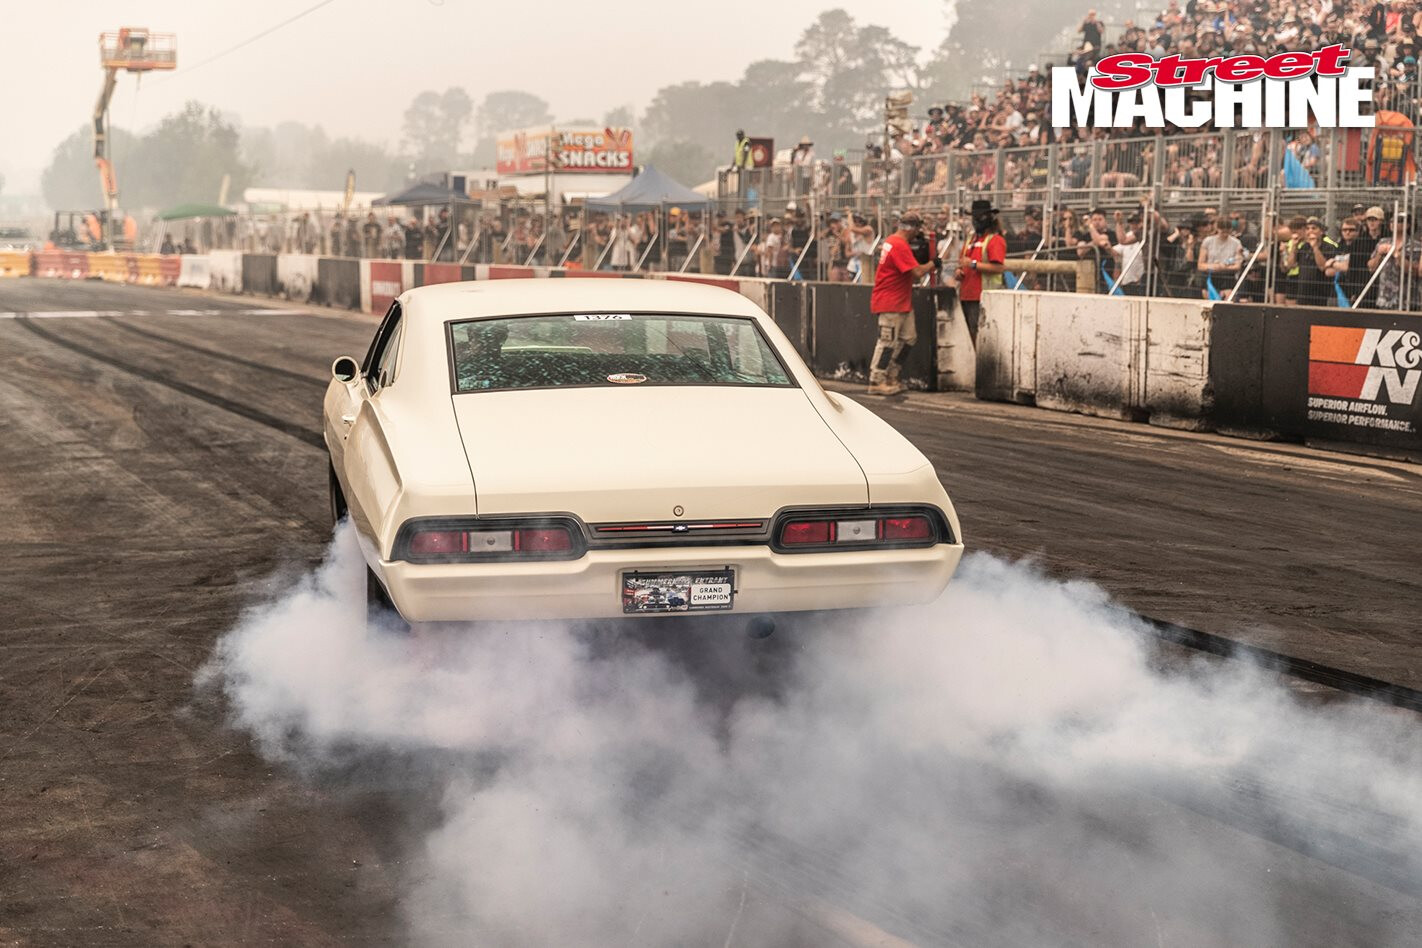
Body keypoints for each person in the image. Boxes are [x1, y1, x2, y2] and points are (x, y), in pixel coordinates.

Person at [867, 211, 938, 396]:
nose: (918, 233)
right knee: (887, 342)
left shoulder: (892, 240)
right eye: (917, 229)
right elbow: (917, 272)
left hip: (900, 301)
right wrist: (933, 263)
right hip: (890, 302)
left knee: (909, 339)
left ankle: (891, 375)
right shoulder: (898, 244)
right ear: (912, 228)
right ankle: (876, 380)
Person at [955, 200, 1007, 341]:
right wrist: (959, 272)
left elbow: (999, 267)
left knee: (980, 335)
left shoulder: (995, 240)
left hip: (983, 296)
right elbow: (961, 263)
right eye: (975, 217)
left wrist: (973, 264)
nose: (976, 220)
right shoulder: (970, 240)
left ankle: (980, 361)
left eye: (980, 217)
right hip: (967, 294)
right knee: (970, 334)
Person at [1198, 216, 1244, 298]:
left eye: (1228, 231)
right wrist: (1214, 266)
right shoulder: (1208, 241)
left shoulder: (1236, 243)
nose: (1225, 234)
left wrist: (1224, 267)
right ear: (1217, 229)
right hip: (1210, 277)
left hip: (1227, 278)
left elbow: (1237, 265)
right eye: (1222, 232)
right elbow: (1200, 265)